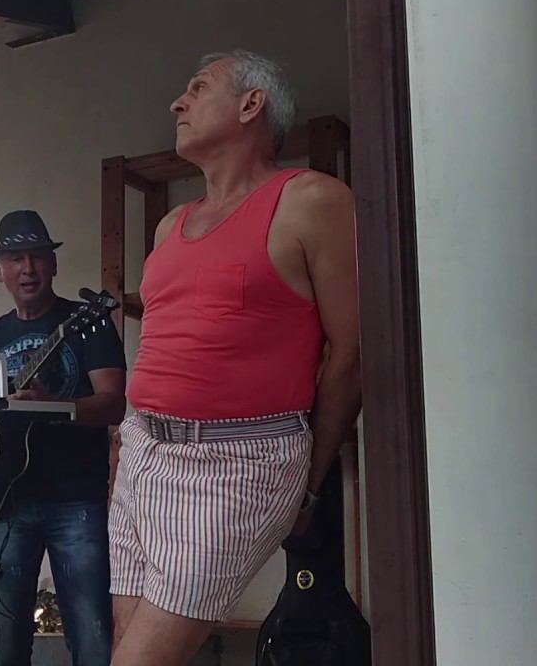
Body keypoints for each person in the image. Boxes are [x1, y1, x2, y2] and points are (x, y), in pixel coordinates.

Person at [109, 51, 361, 666]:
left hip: (237, 462)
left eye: (198, 88)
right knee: (128, 645)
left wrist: (309, 484)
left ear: (252, 104)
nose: (178, 102)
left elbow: (353, 350)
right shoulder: (171, 225)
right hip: (141, 452)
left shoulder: (311, 200)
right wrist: (125, 445)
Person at [0, 210, 127, 666]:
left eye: (37, 256)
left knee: (93, 638)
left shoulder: (87, 322)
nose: (28, 268)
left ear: (53, 265)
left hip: (77, 500)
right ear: (0, 271)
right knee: (3, 644)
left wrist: (53, 406)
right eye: (15, 258)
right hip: (6, 503)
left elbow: (114, 404)